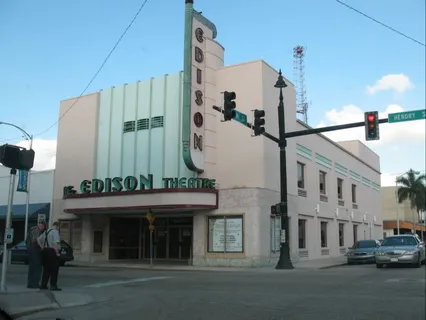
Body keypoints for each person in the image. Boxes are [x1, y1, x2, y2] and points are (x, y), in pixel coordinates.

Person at [37, 221, 62, 291]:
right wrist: (57, 252)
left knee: (46, 269)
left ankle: (43, 284)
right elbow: (55, 243)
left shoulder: (46, 231)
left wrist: (42, 247)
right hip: (52, 251)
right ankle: (53, 285)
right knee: (54, 269)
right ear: (57, 226)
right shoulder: (55, 232)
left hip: (45, 251)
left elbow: (38, 239)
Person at [25, 222, 46, 288]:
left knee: (32, 266)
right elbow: (35, 240)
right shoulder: (36, 230)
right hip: (34, 249)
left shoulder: (32, 229)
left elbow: (27, 240)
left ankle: (30, 283)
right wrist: (42, 246)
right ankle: (35, 283)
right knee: (37, 266)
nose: (43, 229)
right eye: (43, 227)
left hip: (30, 248)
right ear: (41, 226)